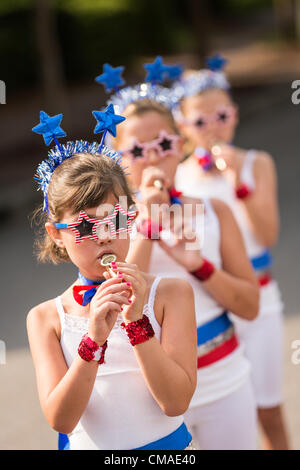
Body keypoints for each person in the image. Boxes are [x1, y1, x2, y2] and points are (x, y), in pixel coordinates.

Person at [27, 111, 198, 450]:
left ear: (131, 217)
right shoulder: (46, 318)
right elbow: (61, 419)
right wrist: (93, 341)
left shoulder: (170, 293)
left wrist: (136, 322)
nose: (104, 237)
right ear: (57, 235)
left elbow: (175, 402)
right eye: (86, 226)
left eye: (115, 220)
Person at [110, 81, 260, 450]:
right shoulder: (110, 224)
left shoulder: (214, 209)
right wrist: (148, 221)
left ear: (181, 144)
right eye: (136, 150)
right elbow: (118, 304)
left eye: (162, 144)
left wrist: (198, 265)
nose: (152, 158)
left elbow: (249, 305)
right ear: (118, 158)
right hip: (149, 391)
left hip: (223, 378)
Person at [173, 57, 289, 450]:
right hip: (211, 301)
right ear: (183, 127)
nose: (213, 126)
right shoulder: (180, 177)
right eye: (200, 120)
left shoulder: (258, 162)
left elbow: (267, 233)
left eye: (220, 115)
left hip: (260, 296)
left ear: (234, 115)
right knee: (220, 412)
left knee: (267, 407)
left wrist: (237, 180)